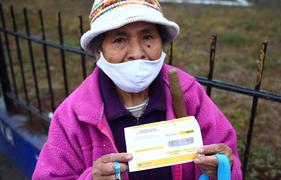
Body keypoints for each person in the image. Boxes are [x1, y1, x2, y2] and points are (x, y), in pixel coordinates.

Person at [32, 0, 242, 179]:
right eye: (119, 40)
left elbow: (228, 159)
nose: (136, 52)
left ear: (162, 43)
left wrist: (224, 167)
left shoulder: (189, 95)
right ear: (99, 52)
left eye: (147, 37)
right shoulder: (74, 116)